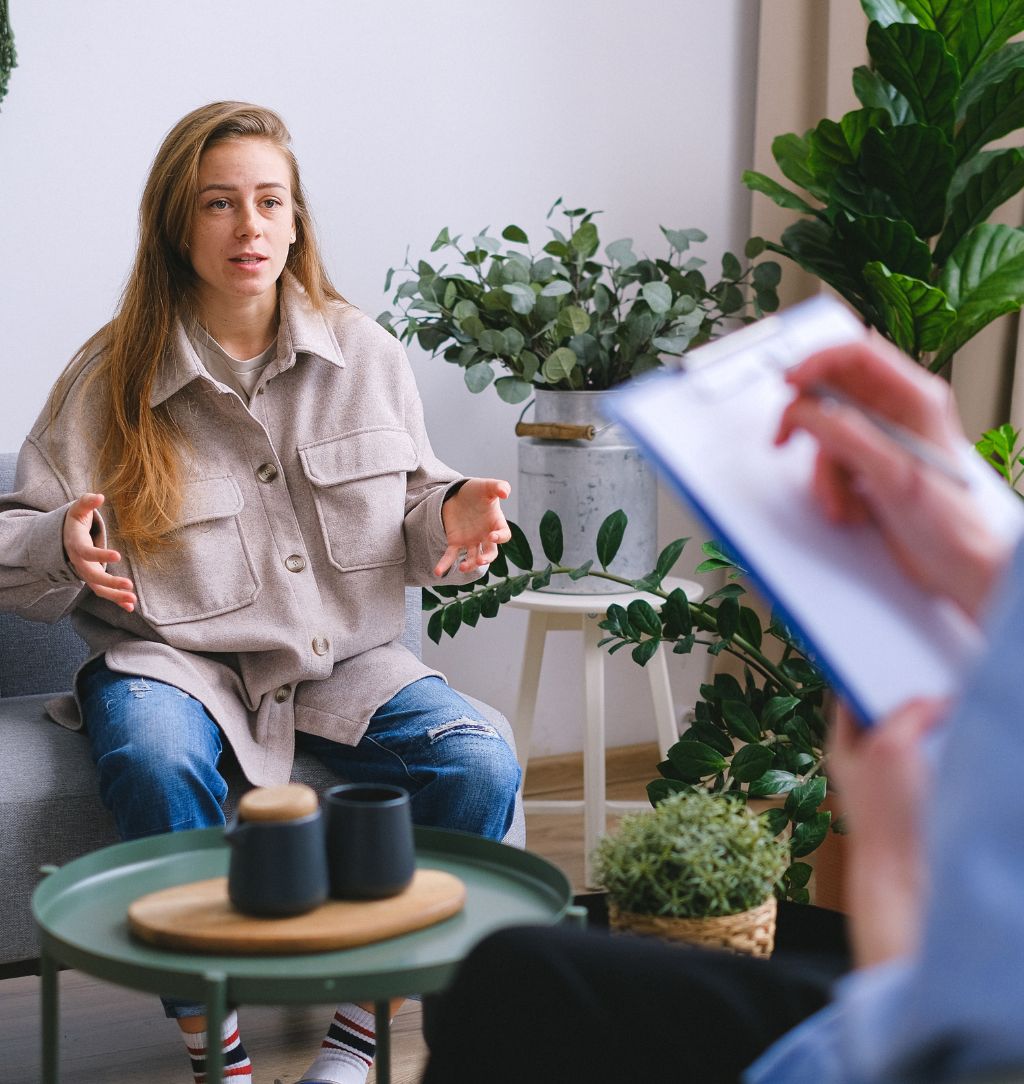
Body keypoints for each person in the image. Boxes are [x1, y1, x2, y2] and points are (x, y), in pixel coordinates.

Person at [0, 101, 522, 1084]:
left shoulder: (363, 353)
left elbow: (413, 505)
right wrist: (63, 543)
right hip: (170, 664)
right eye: (219, 204)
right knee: (152, 754)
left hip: (343, 663)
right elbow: (13, 538)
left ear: (294, 220)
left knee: (480, 760)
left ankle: (360, 1033)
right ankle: (219, 1045)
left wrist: (450, 516)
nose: (248, 227)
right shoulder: (108, 376)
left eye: (268, 201)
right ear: (176, 224)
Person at [419, 331, 1024, 1083]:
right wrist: (988, 551)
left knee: (510, 985)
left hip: (920, 1033)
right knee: (519, 977)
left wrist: (896, 870)